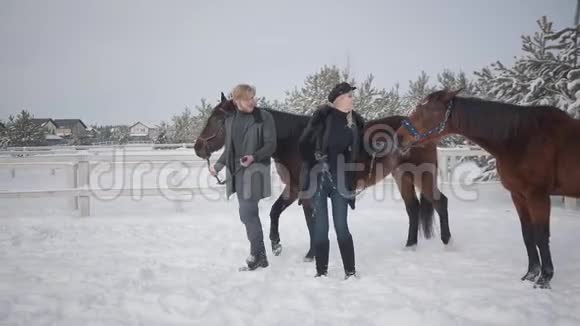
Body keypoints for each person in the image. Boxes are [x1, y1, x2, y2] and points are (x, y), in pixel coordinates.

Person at [298, 82, 365, 279]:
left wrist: (357, 176)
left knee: (341, 226)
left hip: (341, 179)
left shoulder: (354, 123)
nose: (352, 99)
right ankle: (321, 272)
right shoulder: (321, 117)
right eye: (349, 96)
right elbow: (303, 145)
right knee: (320, 228)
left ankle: (350, 272)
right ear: (338, 99)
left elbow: (358, 154)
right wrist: (315, 154)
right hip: (318, 178)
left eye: (352, 96)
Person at [210, 84, 277, 271]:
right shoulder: (231, 119)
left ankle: (257, 255)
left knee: (248, 212)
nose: (253, 101)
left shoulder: (264, 117)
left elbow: (271, 145)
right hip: (237, 173)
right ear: (236, 101)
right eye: (248, 98)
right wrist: (218, 166)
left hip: (255, 171)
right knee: (246, 214)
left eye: (254, 97)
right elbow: (229, 149)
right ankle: (260, 255)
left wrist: (254, 156)